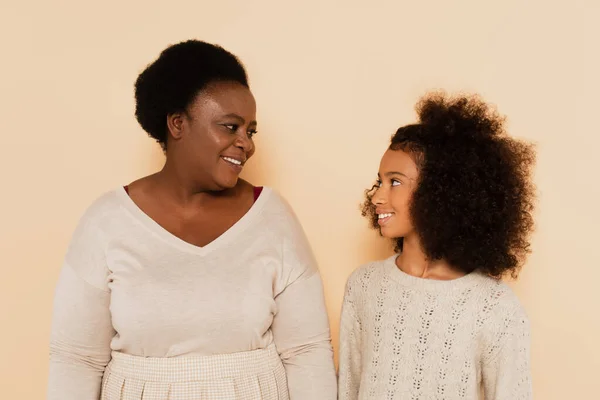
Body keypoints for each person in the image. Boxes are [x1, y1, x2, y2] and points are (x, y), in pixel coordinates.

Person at [47, 39, 337, 400]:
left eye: (251, 130)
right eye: (230, 127)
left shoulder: (273, 217)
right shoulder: (106, 221)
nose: (246, 143)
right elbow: (77, 359)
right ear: (177, 124)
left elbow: (306, 352)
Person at [338, 92, 535, 400]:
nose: (377, 196)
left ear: (441, 192)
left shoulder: (494, 306)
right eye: (379, 181)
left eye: (396, 182)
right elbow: (348, 389)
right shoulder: (363, 286)